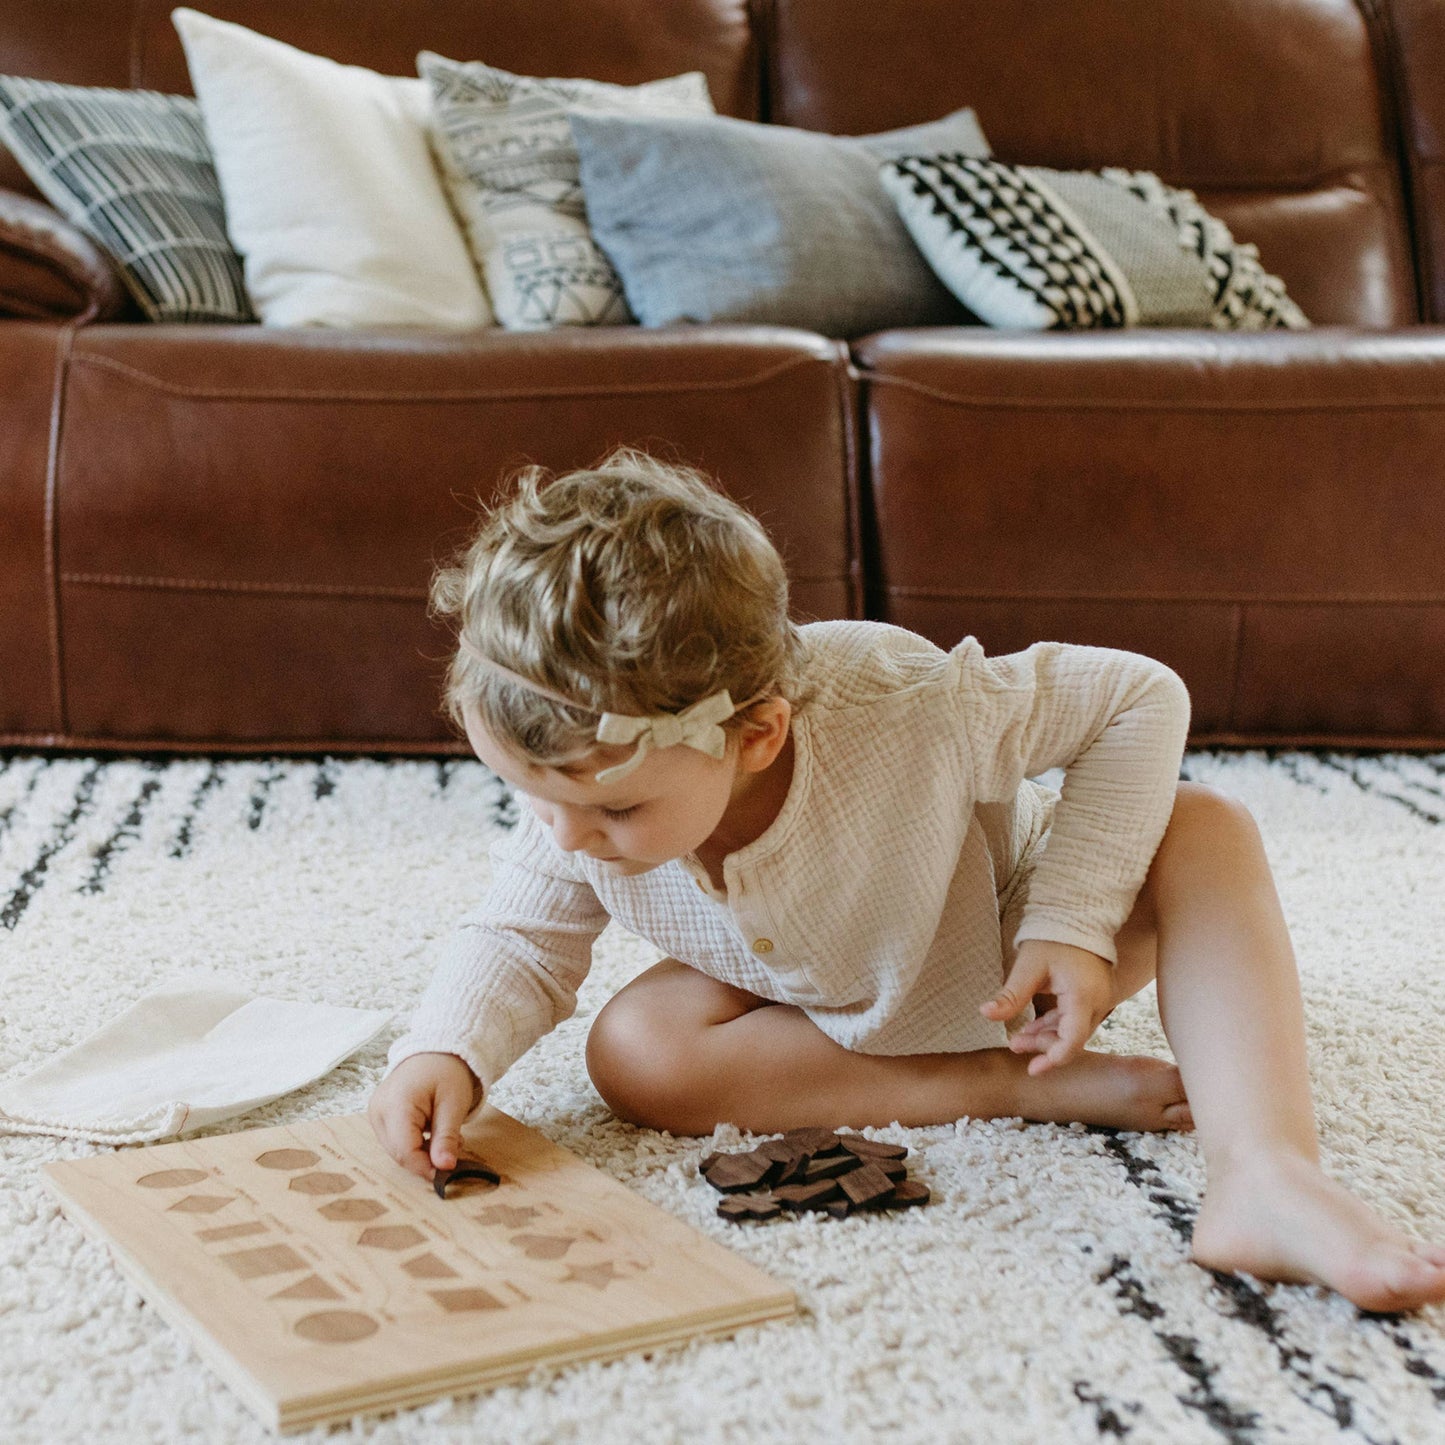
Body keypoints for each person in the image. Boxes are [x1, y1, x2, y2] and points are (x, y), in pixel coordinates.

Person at [370, 448, 1445, 1313]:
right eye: (528, 794)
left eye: (609, 809)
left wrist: (1070, 918)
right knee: (633, 1048)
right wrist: (444, 1047)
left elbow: (1137, 696)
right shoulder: (581, 811)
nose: (562, 838)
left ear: (754, 734)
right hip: (818, 989)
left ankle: (1261, 1170)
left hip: (1006, 957)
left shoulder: (909, 701)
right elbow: (519, 934)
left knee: (1206, 822)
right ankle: (994, 1084)